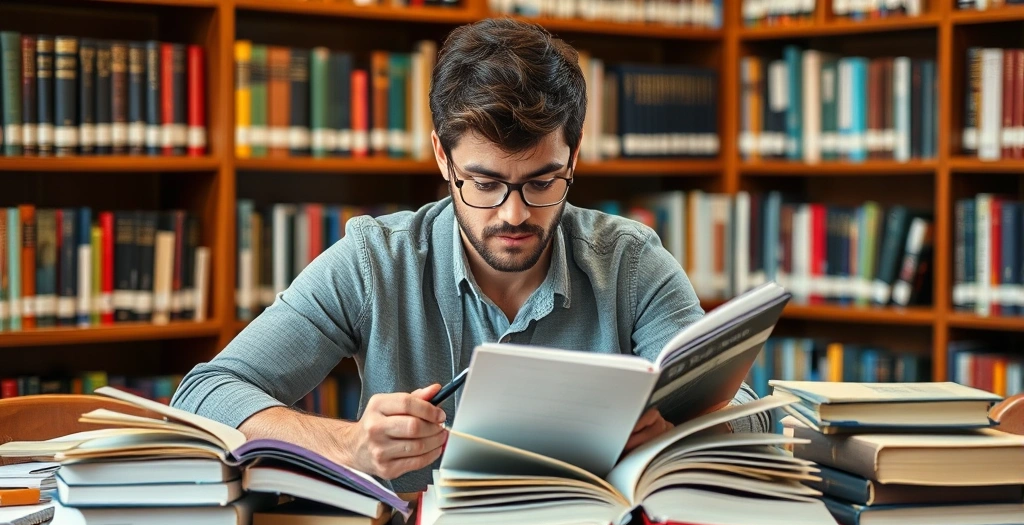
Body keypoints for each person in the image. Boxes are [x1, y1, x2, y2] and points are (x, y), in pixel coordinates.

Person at [171, 17, 768, 493]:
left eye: (542, 182)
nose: (513, 215)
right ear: (442, 157)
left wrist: (674, 431)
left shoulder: (632, 263)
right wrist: (351, 444)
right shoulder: (375, 261)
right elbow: (205, 392)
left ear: (575, 155)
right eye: (483, 184)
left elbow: (744, 408)